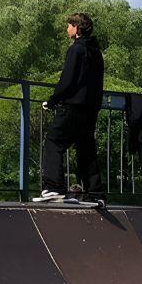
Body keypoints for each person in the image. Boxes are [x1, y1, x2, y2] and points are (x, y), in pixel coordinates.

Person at [37, 11, 105, 203]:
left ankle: (53, 187)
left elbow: (67, 80)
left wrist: (52, 101)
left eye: (69, 25)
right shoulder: (96, 52)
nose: (67, 29)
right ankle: (96, 194)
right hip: (90, 109)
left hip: (73, 106)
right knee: (86, 150)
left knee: (53, 142)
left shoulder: (76, 50)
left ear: (76, 28)